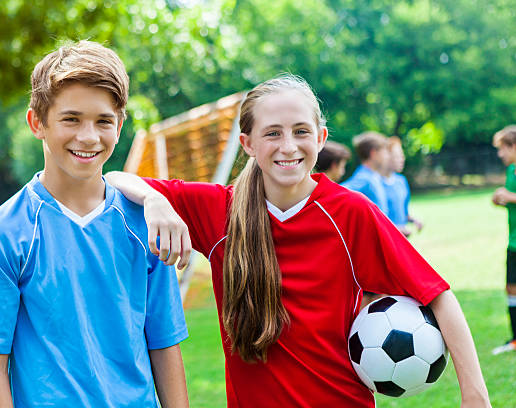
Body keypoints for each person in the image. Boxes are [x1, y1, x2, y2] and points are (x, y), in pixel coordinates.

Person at [106, 74, 491, 407]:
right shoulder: (218, 210)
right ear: (248, 144)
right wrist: (155, 199)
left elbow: (438, 296)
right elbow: (111, 180)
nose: (288, 146)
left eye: (301, 131)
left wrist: (475, 395)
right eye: (272, 133)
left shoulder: (350, 213)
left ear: (321, 138)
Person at [0, 41, 189, 407]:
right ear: (37, 122)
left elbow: (164, 345)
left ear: (120, 125)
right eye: (71, 119)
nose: (88, 137)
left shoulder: (146, 227)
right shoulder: (3, 234)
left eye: (103, 121)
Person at [491, 124, 516, 355]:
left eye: (503, 149)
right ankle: (515, 338)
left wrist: (510, 196)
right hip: (513, 242)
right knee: (511, 288)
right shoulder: (511, 171)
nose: (500, 154)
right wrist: (501, 199)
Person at [341, 131, 390, 215]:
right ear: (373, 153)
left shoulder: (373, 176)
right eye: (384, 151)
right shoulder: (364, 178)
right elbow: (339, 192)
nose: (387, 156)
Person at [382, 136, 423, 237]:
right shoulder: (374, 184)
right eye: (397, 156)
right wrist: (397, 229)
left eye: (402, 155)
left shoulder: (401, 181)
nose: (402, 159)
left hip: (402, 240)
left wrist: (413, 220)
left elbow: (403, 213)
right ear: (386, 157)